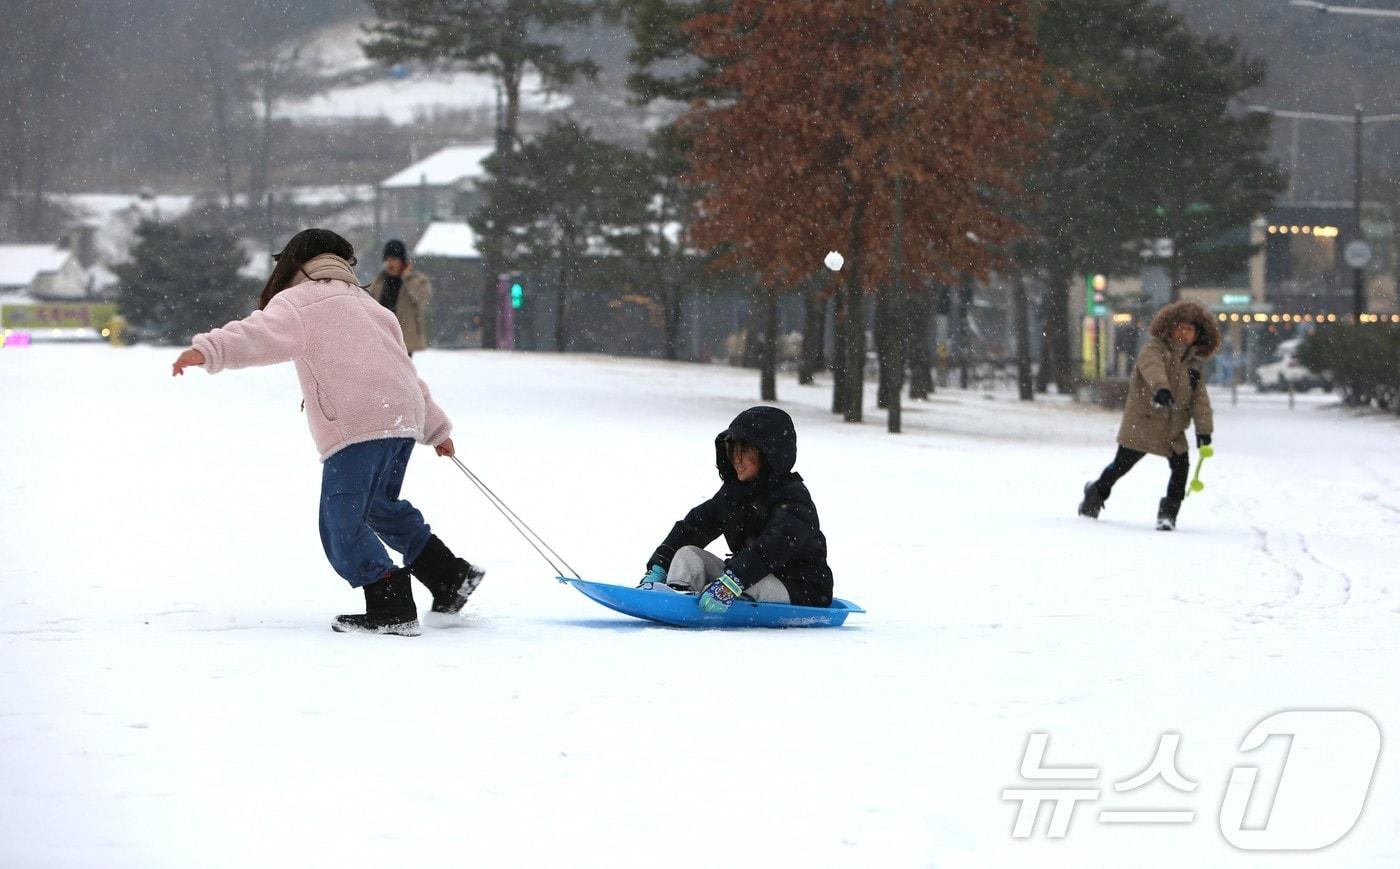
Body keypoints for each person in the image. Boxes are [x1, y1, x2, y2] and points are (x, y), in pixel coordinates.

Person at [171, 228, 483, 635]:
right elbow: (403, 372)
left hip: (359, 423)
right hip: (401, 416)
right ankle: (448, 576)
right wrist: (434, 426)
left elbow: (256, 334)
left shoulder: (300, 302)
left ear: (294, 263)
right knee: (379, 507)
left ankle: (390, 606)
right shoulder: (372, 307)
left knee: (342, 521)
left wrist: (208, 350)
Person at [641, 406, 834, 612]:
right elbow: (694, 526)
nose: (737, 459)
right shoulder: (734, 494)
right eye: (733, 450)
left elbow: (771, 547)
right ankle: (676, 597)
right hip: (744, 578)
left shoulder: (794, 499)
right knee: (688, 554)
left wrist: (733, 580)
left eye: (746, 450)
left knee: (753, 584)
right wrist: (661, 564)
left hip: (800, 589)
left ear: (769, 453)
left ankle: (725, 597)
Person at [1078, 300, 1219, 531]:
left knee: (1181, 469)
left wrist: (1204, 431)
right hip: (1144, 422)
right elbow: (1152, 368)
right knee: (1121, 466)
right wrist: (1161, 389)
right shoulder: (1154, 349)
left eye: (1189, 329)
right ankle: (1096, 493)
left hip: (1173, 429)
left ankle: (1168, 514)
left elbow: (1200, 401)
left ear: (1197, 335)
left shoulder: (1195, 366)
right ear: (1170, 327)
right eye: (1180, 327)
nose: (1183, 333)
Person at [367, 239, 432, 356]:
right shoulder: (380, 279)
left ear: (402, 260)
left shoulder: (416, 279)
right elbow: (370, 301)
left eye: (394, 259)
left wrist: (407, 277)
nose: (390, 263)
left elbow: (421, 298)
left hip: (406, 337)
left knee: (403, 372)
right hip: (382, 334)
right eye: (387, 259)